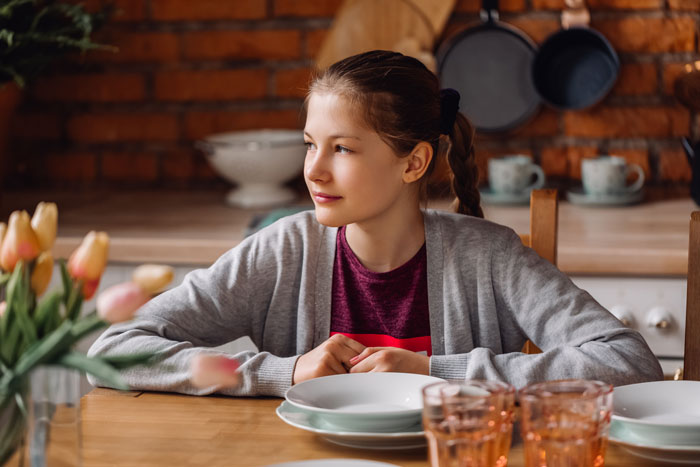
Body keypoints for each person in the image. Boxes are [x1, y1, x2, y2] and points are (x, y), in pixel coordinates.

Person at [88, 50, 662, 396]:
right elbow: (112, 351)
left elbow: (630, 361)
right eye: (311, 143)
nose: (313, 168)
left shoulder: (490, 256)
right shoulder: (283, 251)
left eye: (343, 149)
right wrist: (282, 374)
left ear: (413, 162)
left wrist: (439, 371)